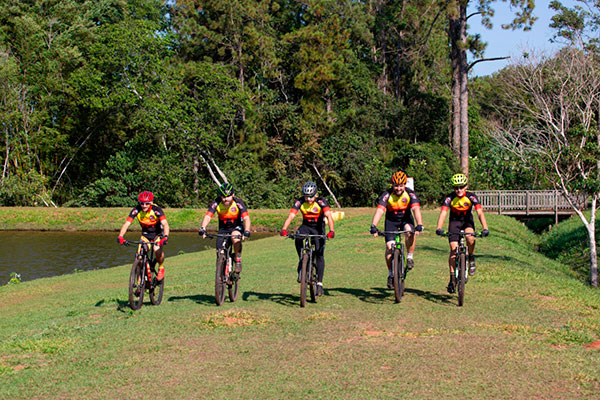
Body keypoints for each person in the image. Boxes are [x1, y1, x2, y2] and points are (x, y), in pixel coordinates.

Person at [435, 173, 489, 294]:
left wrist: (485, 228)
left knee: (470, 238)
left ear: (466, 186)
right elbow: (443, 213)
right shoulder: (449, 198)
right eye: (456, 187)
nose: (459, 190)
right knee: (453, 250)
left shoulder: (471, 197)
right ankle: (452, 277)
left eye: (461, 187)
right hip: (454, 223)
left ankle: (471, 257)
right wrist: (439, 227)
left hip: (467, 222)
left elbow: (480, 212)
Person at [369, 170, 424, 289]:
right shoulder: (387, 195)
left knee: (410, 232)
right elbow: (380, 210)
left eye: (401, 185)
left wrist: (419, 224)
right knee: (389, 248)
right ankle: (390, 274)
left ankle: (409, 257)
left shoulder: (410, 194)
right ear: (392, 185)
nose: (398, 188)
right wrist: (374, 226)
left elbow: (415, 209)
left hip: (405, 220)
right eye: (396, 185)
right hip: (391, 222)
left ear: (405, 185)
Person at [280, 182, 335, 296]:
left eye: (311, 196)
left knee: (319, 254)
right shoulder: (300, 202)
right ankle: (302, 260)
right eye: (306, 196)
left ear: (316, 194)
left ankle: (319, 283)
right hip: (306, 226)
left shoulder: (321, 202)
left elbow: (329, 216)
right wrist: (284, 228)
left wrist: (331, 231)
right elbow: (291, 216)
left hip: (318, 228)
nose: (308, 199)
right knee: (297, 237)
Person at [198, 182, 251, 281]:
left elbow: (247, 218)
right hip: (223, 229)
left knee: (235, 238)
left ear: (233, 195)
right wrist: (203, 228)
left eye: (228, 196)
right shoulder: (216, 203)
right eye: (223, 197)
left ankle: (238, 259)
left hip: (237, 227)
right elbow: (208, 216)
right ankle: (222, 273)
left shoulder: (238, 203)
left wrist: (247, 231)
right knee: (220, 252)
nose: (225, 199)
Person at [117, 191, 170, 281]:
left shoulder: (157, 210)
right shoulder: (136, 210)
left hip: (157, 235)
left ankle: (161, 267)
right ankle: (139, 282)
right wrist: (121, 236)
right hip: (145, 235)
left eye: (147, 203)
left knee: (157, 250)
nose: (144, 205)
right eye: (142, 203)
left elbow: (165, 224)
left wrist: (165, 237)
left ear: (151, 203)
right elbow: (126, 224)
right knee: (139, 258)